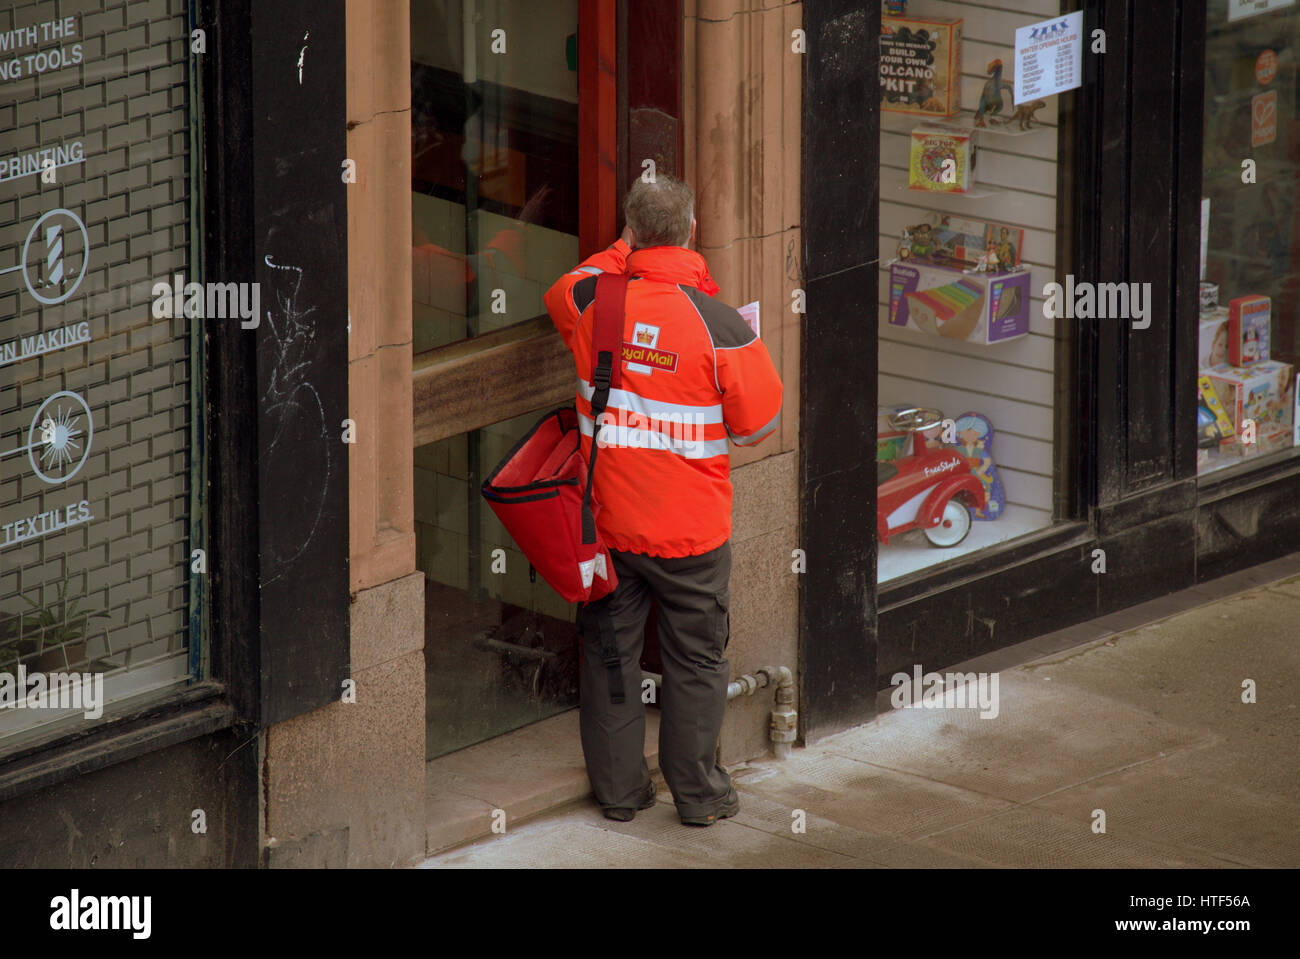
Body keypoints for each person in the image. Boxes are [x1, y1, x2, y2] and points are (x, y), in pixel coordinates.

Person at [543, 174, 783, 826]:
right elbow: (759, 422)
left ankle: (620, 794)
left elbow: (559, 289)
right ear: (692, 233)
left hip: (610, 526)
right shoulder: (720, 325)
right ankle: (699, 796)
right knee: (697, 663)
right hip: (693, 537)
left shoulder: (594, 301)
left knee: (612, 658)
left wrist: (625, 249)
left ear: (629, 234)